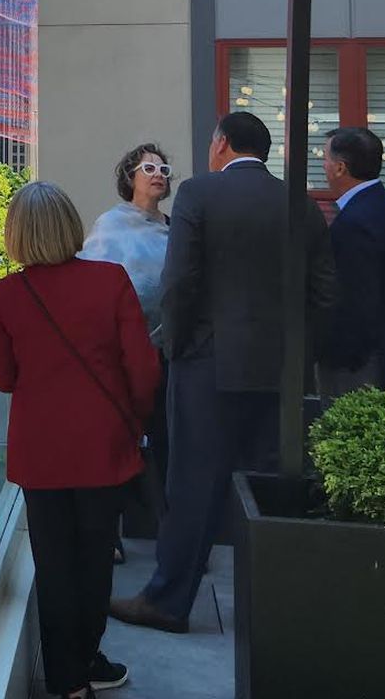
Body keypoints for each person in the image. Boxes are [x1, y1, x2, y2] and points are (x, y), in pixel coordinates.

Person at [111, 111, 333, 633]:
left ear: (222, 144)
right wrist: (297, 359)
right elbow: (324, 294)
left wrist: (181, 347)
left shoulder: (200, 195)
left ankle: (168, 601)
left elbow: (179, 283)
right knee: (270, 486)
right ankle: (280, 609)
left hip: (207, 366)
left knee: (193, 485)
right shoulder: (301, 204)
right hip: (280, 374)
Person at [0, 181, 160, 698]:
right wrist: (132, 418)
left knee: (54, 562)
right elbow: (144, 370)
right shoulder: (110, 281)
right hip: (103, 446)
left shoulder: (9, 294)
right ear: (69, 227)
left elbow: (4, 379)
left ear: (17, 234)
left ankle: (67, 679)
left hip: (41, 452)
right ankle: (88, 657)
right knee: (93, 559)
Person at [79, 143, 174, 552]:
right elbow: (93, 284)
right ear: (130, 177)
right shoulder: (109, 225)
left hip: (163, 353)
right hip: (116, 356)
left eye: (163, 169)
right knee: (113, 443)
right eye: (148, 167)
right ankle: (109, 534)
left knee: (163, 444)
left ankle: (170, 538)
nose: (158, 174)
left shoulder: (175, 228)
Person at [316, 127, 385, 395]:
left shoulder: (354, 223)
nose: (322, 165)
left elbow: (354, 299)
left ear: (340, 168)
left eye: (324, 158)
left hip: (358, 364)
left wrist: (338, 355)